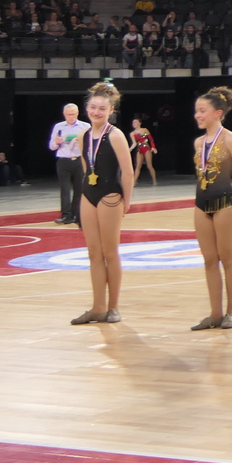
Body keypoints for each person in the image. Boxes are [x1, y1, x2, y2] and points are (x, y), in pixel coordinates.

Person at [70, 82, 134, 325]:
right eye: (93, 107)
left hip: (110, 196)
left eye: (102, 108)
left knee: (110, 252)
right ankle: (98, 308)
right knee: (93, 252)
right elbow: (86, 167)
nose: (96, 112)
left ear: (111, 110)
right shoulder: (83, 135)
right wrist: (86, 192)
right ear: (87, 108)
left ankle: (113, 307)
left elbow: (127, 172)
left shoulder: (115, 135)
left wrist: (126, 201)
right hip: (89, 194)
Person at [190, 87, 232, 331]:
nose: (197, 115)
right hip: (201, 204)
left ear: (218, 113)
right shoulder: (198, 142)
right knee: (209, 260)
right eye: (196, 111)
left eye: (202, 111)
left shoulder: (231, 139)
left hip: (226, 203)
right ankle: (215, 314)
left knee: (227, 258)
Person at [48, 103, 87, 226]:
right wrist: (56, 142)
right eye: (68, 114)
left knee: (79, 189)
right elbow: (51, 146)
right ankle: (66, 215)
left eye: (73, 114)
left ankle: (76, 215)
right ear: (64, 114)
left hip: (79, 160)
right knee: (65, 189)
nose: (71, 117)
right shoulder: (58, 127)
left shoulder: (85, 126)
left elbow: (91, 144)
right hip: (63, 160)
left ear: (77, 113)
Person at [130, 117, 158, 186]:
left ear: (140, 123)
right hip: (139, 149)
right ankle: (134, 182)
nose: (134, 124)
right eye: (133, 123)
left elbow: (151, 139)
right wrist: (130, 149)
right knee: (138, 166)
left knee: (149, 165)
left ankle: (154, 180)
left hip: (146, 148)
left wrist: (153, 147)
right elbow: (134, 143)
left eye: (135, 122)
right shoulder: (132, 133)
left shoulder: (145, 130)